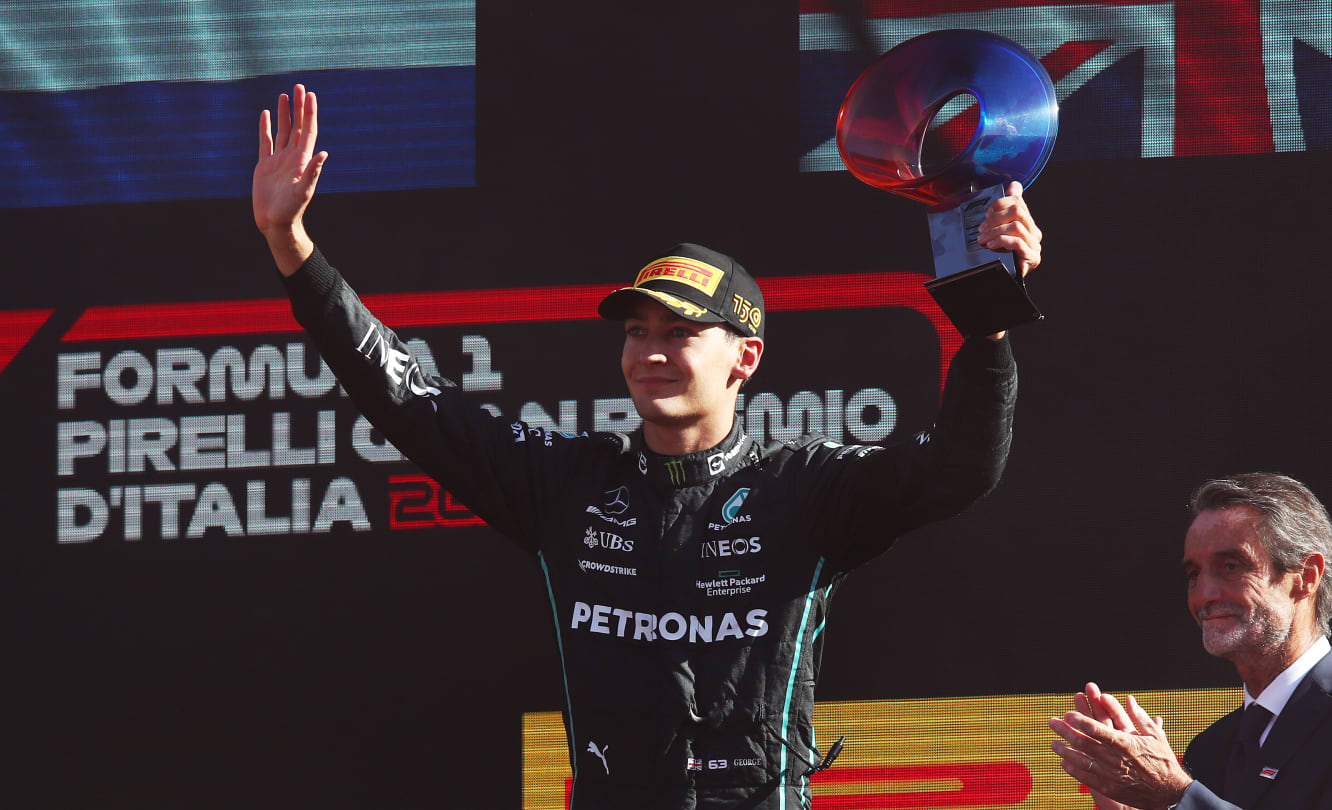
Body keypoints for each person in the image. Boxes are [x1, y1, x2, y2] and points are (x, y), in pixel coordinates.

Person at [253, 84, 1041, 809]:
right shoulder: (564, 482)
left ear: (745, 357)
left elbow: (962, 467)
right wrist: (291, 244)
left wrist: (989, 321)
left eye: (680, 332)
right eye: (637, 331)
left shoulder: (805, 488)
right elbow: (407, 398)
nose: (649, 351)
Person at [1048, 473, 1332, 809]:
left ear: (1306, 576)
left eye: (1231, 566)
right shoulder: (1211, 748)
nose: (1204, 595)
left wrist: (1179, 797)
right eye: (1194, 573)